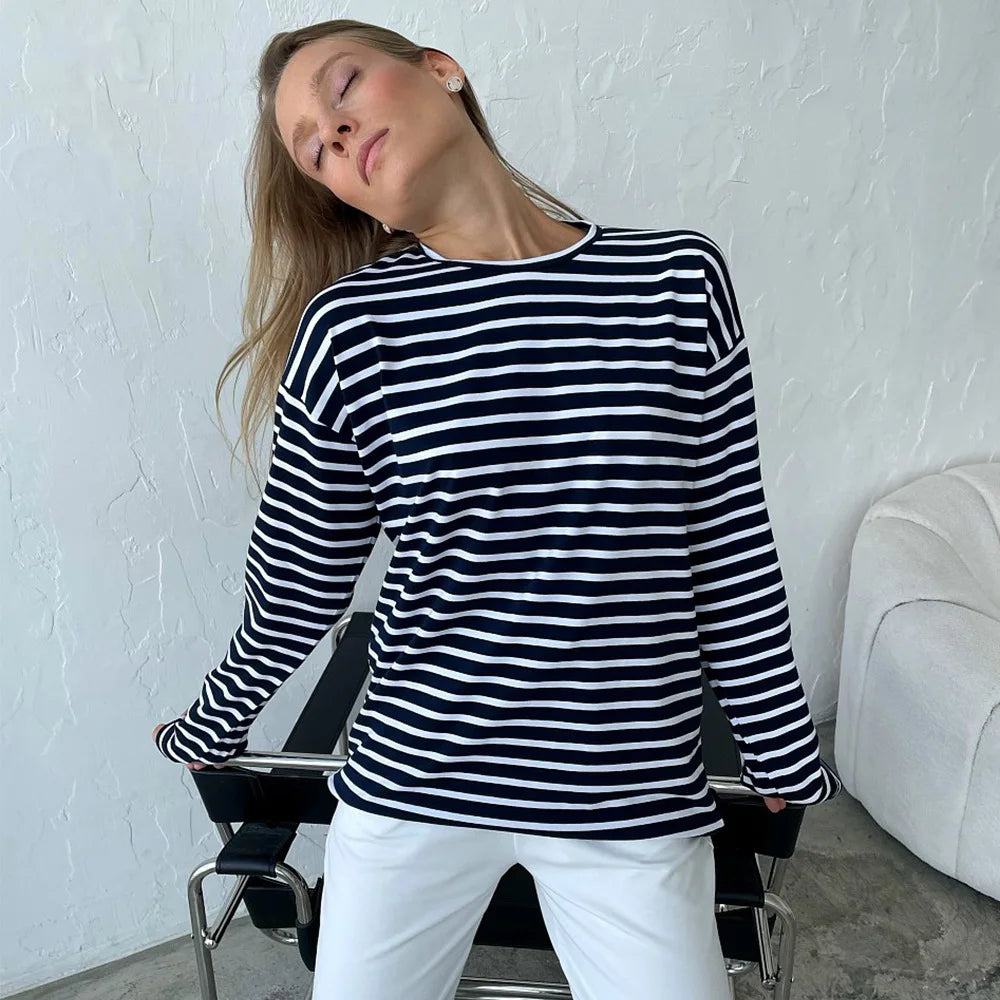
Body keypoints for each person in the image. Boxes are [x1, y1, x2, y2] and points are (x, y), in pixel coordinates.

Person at [152, 18, 842, 1000]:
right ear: (341, 194)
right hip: (414, 782)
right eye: (314, 150)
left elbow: (725, 537)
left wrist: (775, 732)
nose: (336, 134)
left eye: (345, 88)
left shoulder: (676, 282)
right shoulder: (348, 331)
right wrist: (210, 720)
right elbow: (299, 586)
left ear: (440, 70)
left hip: (628, 791)